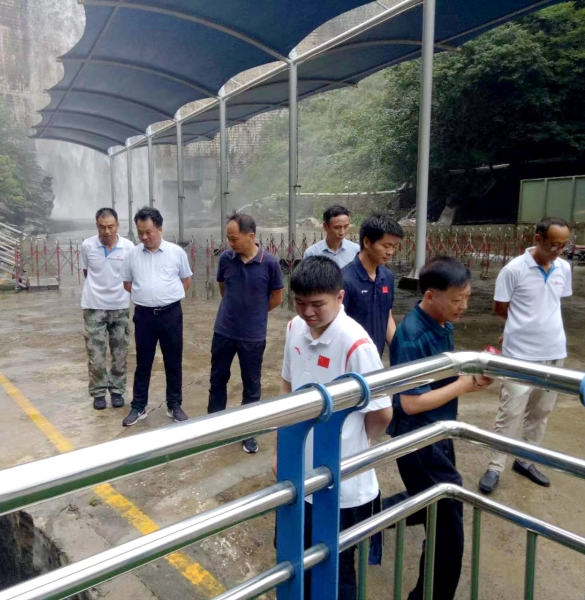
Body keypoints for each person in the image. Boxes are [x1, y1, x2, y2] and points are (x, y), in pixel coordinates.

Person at [274, 255, 393, 600]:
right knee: (294, 557)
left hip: (341, 484)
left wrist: (352, 442)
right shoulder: (294, 328)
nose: (307, 312)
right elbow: (288, 387)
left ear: (340, 297)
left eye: (317, 304)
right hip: (299, 473)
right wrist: (282, 451)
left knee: (335, 570)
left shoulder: (356, 344)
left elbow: (382, 414)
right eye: (300, 303)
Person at [387, 256, 492, 600]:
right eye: (457, 299)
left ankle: (365, 515)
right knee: (448, 523)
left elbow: (441, 379)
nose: (464, 306)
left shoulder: (441, 322)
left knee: (430, 504)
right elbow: (409, 402)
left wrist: (469, 376)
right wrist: (464, 385)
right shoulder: (413, 336)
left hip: (438, 432)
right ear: (430, 295)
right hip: (418, 438)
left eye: (467, 298)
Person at [479, 217, 572, 494]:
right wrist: (517, 327)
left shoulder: (564, 268)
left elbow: (553, 304)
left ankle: (526, 459)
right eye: (553, 244)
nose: (558, 250)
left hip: (554, 351)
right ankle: (495, 466)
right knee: (510, 412)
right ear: (537, 239)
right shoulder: (513, 270)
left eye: (564, 245)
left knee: (541, 412)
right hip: (520, 355)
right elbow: (500, 308)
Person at [208, 212, 284, 453]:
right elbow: (224, 288)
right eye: (228, 238)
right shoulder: (226, 259)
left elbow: (277, 297)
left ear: (251, 236)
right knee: (218, 378)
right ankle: (213, 426)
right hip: (224, 330)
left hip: (252, 336)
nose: (230, 243)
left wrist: (255, 312)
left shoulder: (270, 263)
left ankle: (248, 431)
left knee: (251, 385)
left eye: (234, 239)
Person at [121, 207, 192, 427]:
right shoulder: (132, 255)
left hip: (171, 314)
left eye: (148, 232)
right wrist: (147, 297)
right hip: (144, 316)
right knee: (143, 362)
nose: (144, 237)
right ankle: (138, 406)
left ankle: (174, 404)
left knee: (173, 361)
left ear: (160, 228)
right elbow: (127, 284)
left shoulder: (176, 253)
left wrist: (166, 297)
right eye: (140, 232)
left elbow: (186, 281)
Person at [80, 208, 135, 410]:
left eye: (111, 226)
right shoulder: (88, 246)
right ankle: (98, 393)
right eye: (102, 227)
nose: (107, 231)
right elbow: (87, 272)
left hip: (120, 306)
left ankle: (117, 390)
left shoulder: (128, 248)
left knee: (120, 352)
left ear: (118, 225)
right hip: (93, 307)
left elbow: (131, 276)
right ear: (97, 226)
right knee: (95, 354)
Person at [342, 214, 404, 357]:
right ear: (367, 242)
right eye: (386, 246)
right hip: (351, 359)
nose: (390, 252)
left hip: (376, 358)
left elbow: (387, 317)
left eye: (393, 247)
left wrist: (399, 350)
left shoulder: (387, 276)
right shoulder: (345, 279)